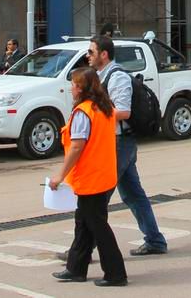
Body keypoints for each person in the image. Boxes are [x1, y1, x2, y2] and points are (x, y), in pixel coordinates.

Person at [49, 67, 128, 287]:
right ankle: (76, 268)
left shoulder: (83, 112)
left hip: (90, 178)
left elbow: (76, 147)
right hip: (103, 175)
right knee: (83, 224)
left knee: (97, 227)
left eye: (74, 84)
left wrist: (59, 176)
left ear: (82, 88)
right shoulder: (105, 108)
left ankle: (116, 274)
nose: (71, 88)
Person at [90, 35, 169, 256]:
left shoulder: (117, 78)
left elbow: (124, 112)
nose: (88, 56)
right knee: (133, 194)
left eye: (91, 52)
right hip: (116, 141)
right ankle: (155, 241)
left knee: (98, 197)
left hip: (120, 143)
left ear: (103, 55)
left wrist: (94, 113)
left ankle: (83, 250)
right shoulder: (101, 76)